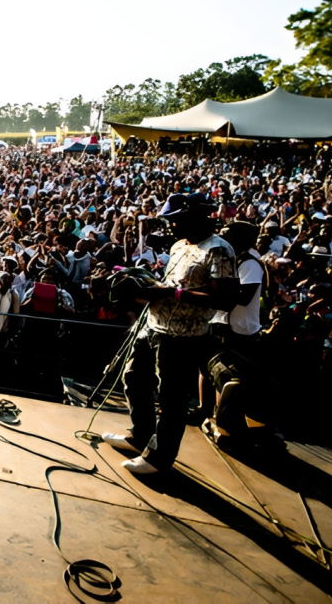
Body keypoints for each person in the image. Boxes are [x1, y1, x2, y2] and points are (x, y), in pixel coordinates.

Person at [104, 193, 237, 475]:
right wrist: (145, 285)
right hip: (154, 326)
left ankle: (159, 458)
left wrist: (174, 294)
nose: (172, 226)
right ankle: (139, 436)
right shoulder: (179, 245)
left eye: (176, 220)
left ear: (195, 218)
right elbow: (171, 284)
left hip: (183, 337)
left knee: (171, 399)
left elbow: (226, 299)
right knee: (134, 379)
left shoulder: (219, 250)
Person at [203, 220, 265, 448]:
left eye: (227, 234)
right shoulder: (229, 260)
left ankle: (225, 422)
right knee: (209, 369)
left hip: (239, 329)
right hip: (220, 324)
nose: (222, 237)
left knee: (228, 376)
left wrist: (216, 293)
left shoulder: (250, 264)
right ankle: (206, 411)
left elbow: (244, 297)